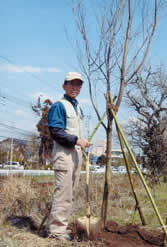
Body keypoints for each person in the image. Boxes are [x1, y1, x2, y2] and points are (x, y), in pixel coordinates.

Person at [47, 72, 89, 241]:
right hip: (64, 154)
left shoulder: (78, 107)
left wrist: (82, 143)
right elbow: (56, 132)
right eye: (72, 84)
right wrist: (76, 140)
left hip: (76, 155)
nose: (75, 87)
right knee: (63, 193)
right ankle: (57, 232)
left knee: (70, 193)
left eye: (78, 84)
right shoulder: (59, 106)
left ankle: (62, 227)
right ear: (64, 85)